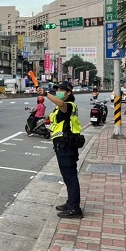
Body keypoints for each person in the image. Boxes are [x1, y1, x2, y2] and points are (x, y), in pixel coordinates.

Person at [37, 81, 83, 219]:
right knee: (67, 177)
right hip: (61, 144)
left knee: (70, 177)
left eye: (61, 90)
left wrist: (46, 94)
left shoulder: (68, 105)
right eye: (56, 90)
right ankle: (70, 203)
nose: (58, 92)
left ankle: (74, 208)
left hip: (66, 145)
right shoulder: (60, 108)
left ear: (68, 93)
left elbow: (61, 105)